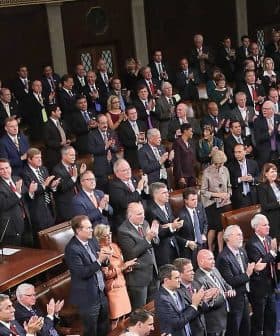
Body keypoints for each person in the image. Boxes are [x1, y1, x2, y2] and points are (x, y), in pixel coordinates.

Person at [64, 215, 110, 336]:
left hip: (101, 292)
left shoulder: (92, 241)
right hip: (88, 298)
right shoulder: (72, 249)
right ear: (78, 230)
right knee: (91, 331)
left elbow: (100, 259)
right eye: (88, 228)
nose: (91, 230)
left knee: (104, 327)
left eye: (91, 227)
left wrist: (105, 260)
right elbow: (82, 273)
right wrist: (99, 261)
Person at [216, 225, 260, 336]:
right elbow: (230, 281)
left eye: (241, 234)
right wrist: (247, 274)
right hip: (233, 301)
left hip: (244, 297)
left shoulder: (242, 251)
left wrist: (253, 270)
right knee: (234, 331)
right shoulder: (223, 258)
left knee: (246, 329)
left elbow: (247, 270)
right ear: (228, 238)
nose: (241, 237)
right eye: (238, 235)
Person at [93, 224, 136, 328]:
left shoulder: (115, 246)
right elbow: (106, 275)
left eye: (110, 234)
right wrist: (122, 267)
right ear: (99, 238)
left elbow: (121, 263)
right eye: (105, 235)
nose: (109, 236)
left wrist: (126, 268)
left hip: (122, 284)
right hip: (113, 289)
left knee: (125, 317)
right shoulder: (99, 252)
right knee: (115, 320)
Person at [117, 202, 159, 310]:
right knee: (141, 312)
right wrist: (147, 239)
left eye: (143, 213)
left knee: (153, 308)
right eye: (139, 214)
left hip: (153, 273)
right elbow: (131, 253)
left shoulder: (144, 223)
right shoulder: (123, 231)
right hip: (138, 277)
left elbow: (155, 243)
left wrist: (155, 235)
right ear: (130, 215)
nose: (143, 216)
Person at [245, 214, 280, 336]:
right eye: (265, 225)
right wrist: (272, 253)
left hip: (270, 285)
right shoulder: (251, 244)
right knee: (259, 321)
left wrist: (277, 252)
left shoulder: (269, 239)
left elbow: (270, 260)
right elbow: (259, 266)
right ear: (256, 228)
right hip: (259, 289)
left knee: (272, 318)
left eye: (268, 224)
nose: (268, 227)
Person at [194, 249, 235, 336]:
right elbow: (207, 303)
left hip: (225, 317)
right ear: (201, 261)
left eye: (213, 258)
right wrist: (224, 295)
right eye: (210, 259)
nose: (213, 261)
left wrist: (229, 289)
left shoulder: (214, 269)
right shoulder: (197, 279)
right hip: (214, 323)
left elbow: (223, 282)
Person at [155, 264, 204, 336]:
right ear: (166, 280)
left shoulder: (178, 291)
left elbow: (187, 312)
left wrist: (202, 300)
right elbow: (176, 323)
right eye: (176, 278)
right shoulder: (162, 299)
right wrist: (194, 305)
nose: (180, 280)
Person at [200, 150, 232, 252]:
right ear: (215, 162)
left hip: (224, 203)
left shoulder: (225, 170)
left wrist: (228, 195)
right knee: (213, 228)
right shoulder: (207, 172)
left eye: (223, 163)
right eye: (219, 163)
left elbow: (229, 186)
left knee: (222, 227)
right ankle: (210, 248)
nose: (221, 165)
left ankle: (221, 250)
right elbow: (203, 191)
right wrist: (218, 195)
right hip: (211, 204)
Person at [146, 182, 184, 266]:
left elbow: (172, 221)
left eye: (167, 192)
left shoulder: (167, 205)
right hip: (163, 250)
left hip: (174, 245)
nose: (168, 195)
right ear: (155, 195)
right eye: (164, 193)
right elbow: (157, 233)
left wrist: (172, 225)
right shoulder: (150, 211)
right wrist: (172, 226)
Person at [22, 148, 60, 232]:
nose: (40, 160)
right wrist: (44, 185)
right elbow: (30, 194)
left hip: (50, 208)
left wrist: (53, 186)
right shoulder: (25, 173)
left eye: (40, 157)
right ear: (29, 159)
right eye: (37, 158)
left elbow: (48, 187)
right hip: (37, 211)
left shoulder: (44, 169)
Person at [173, 258, 212, 336]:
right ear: (179, 274)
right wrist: (199, 303)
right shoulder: (177, 292)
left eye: (192, 270)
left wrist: (207, 299)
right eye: (189, 271)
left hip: (203, 330)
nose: (193, 273)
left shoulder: (196, 284)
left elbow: (205, 308)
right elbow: (186, 315)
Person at [0, 158, 33, 246]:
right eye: (1, 169)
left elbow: (25, 196)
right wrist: (17, 193)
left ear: (10, 168)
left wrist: (31, 192)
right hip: (11, 227)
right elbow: (3, 205)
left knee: (30, 253)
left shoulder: (17, 179)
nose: (5, 171)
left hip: (26, 222)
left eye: (7, 168)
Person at [109, 159, 147, 230]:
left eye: (129, 169)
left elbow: (144, 196)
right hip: (126, 218)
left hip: (143, 214)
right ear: (116, 173)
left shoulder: (135, 178)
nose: (128, 172)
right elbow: (124, 202)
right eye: (124, 170)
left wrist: (146, 188)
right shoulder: (114, 185)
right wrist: (138, 190)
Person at [52, 145, 87, 222]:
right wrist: (74, 177)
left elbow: (78, 184)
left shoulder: (75, 166)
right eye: (71, 155)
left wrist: (81, 174)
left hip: (79, 202)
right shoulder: (57, 170)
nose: (74, 157)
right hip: (67, 206)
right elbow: (62, 188)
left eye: (74, 155)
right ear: (64, 156)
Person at [177, 188, 208, 267]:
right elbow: (175, 236)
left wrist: (203, 234)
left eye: (196, 199)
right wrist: (187, 242)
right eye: (193, 199)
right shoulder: (180, 215)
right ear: (186, 201)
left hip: (202, 244)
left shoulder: (200, 206)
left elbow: (205, 223)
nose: (196, 202)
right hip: (189, 249)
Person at [88, 113, 117, 191]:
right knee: (104, 189)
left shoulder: (111, 132)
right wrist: (105, 146)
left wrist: (113, 146)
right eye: (103, 123)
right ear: (97, 124)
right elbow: (92, 150)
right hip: (101, 167)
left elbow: (116, 149)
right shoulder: (92, 135)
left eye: (106, 122)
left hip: (113, 164)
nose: (105, 125)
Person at [43, 104, 71, 171]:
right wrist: (60, 144)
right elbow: (47, 142)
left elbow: (68, 133)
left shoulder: (62, 122)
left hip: (65, 151)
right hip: (54, 155)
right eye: (58, 110)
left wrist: (68, 139)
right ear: (53, 112)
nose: (60, 112)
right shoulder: (47, 125)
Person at [118, 105, 147, 169]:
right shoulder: (123, 127)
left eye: (135, 113)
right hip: (132, 156)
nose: (134, 115)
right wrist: (137, 142)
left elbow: (147, 136)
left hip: (144, 153)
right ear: (127, 115)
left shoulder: (142, 123)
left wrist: (145, 141)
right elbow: (124, 142)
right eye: (131, 114)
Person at [254, 100, 280, 168]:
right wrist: (268, 133)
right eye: (263, 108)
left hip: (278, 151)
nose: (264, 110)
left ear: (272, 109)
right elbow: (257, 139)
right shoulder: (258, 121)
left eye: (266, 109)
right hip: (265, 154)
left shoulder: (278, 118)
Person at [257, 162, 280, 239]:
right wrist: (278, 203)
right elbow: (265, 206)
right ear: (266, 174)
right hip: (271, 217)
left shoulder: (278, 183)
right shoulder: (262, 187)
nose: (274, 174)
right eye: (272, 172)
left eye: (275, 171)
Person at [173, 123, 197, 189]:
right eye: (191, 131)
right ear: (185, 131)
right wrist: (180, 176)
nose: (192, 133)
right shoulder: (177, 142)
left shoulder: (190, 143)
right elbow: (177, 161)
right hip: (183, 175)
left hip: (191, 174)